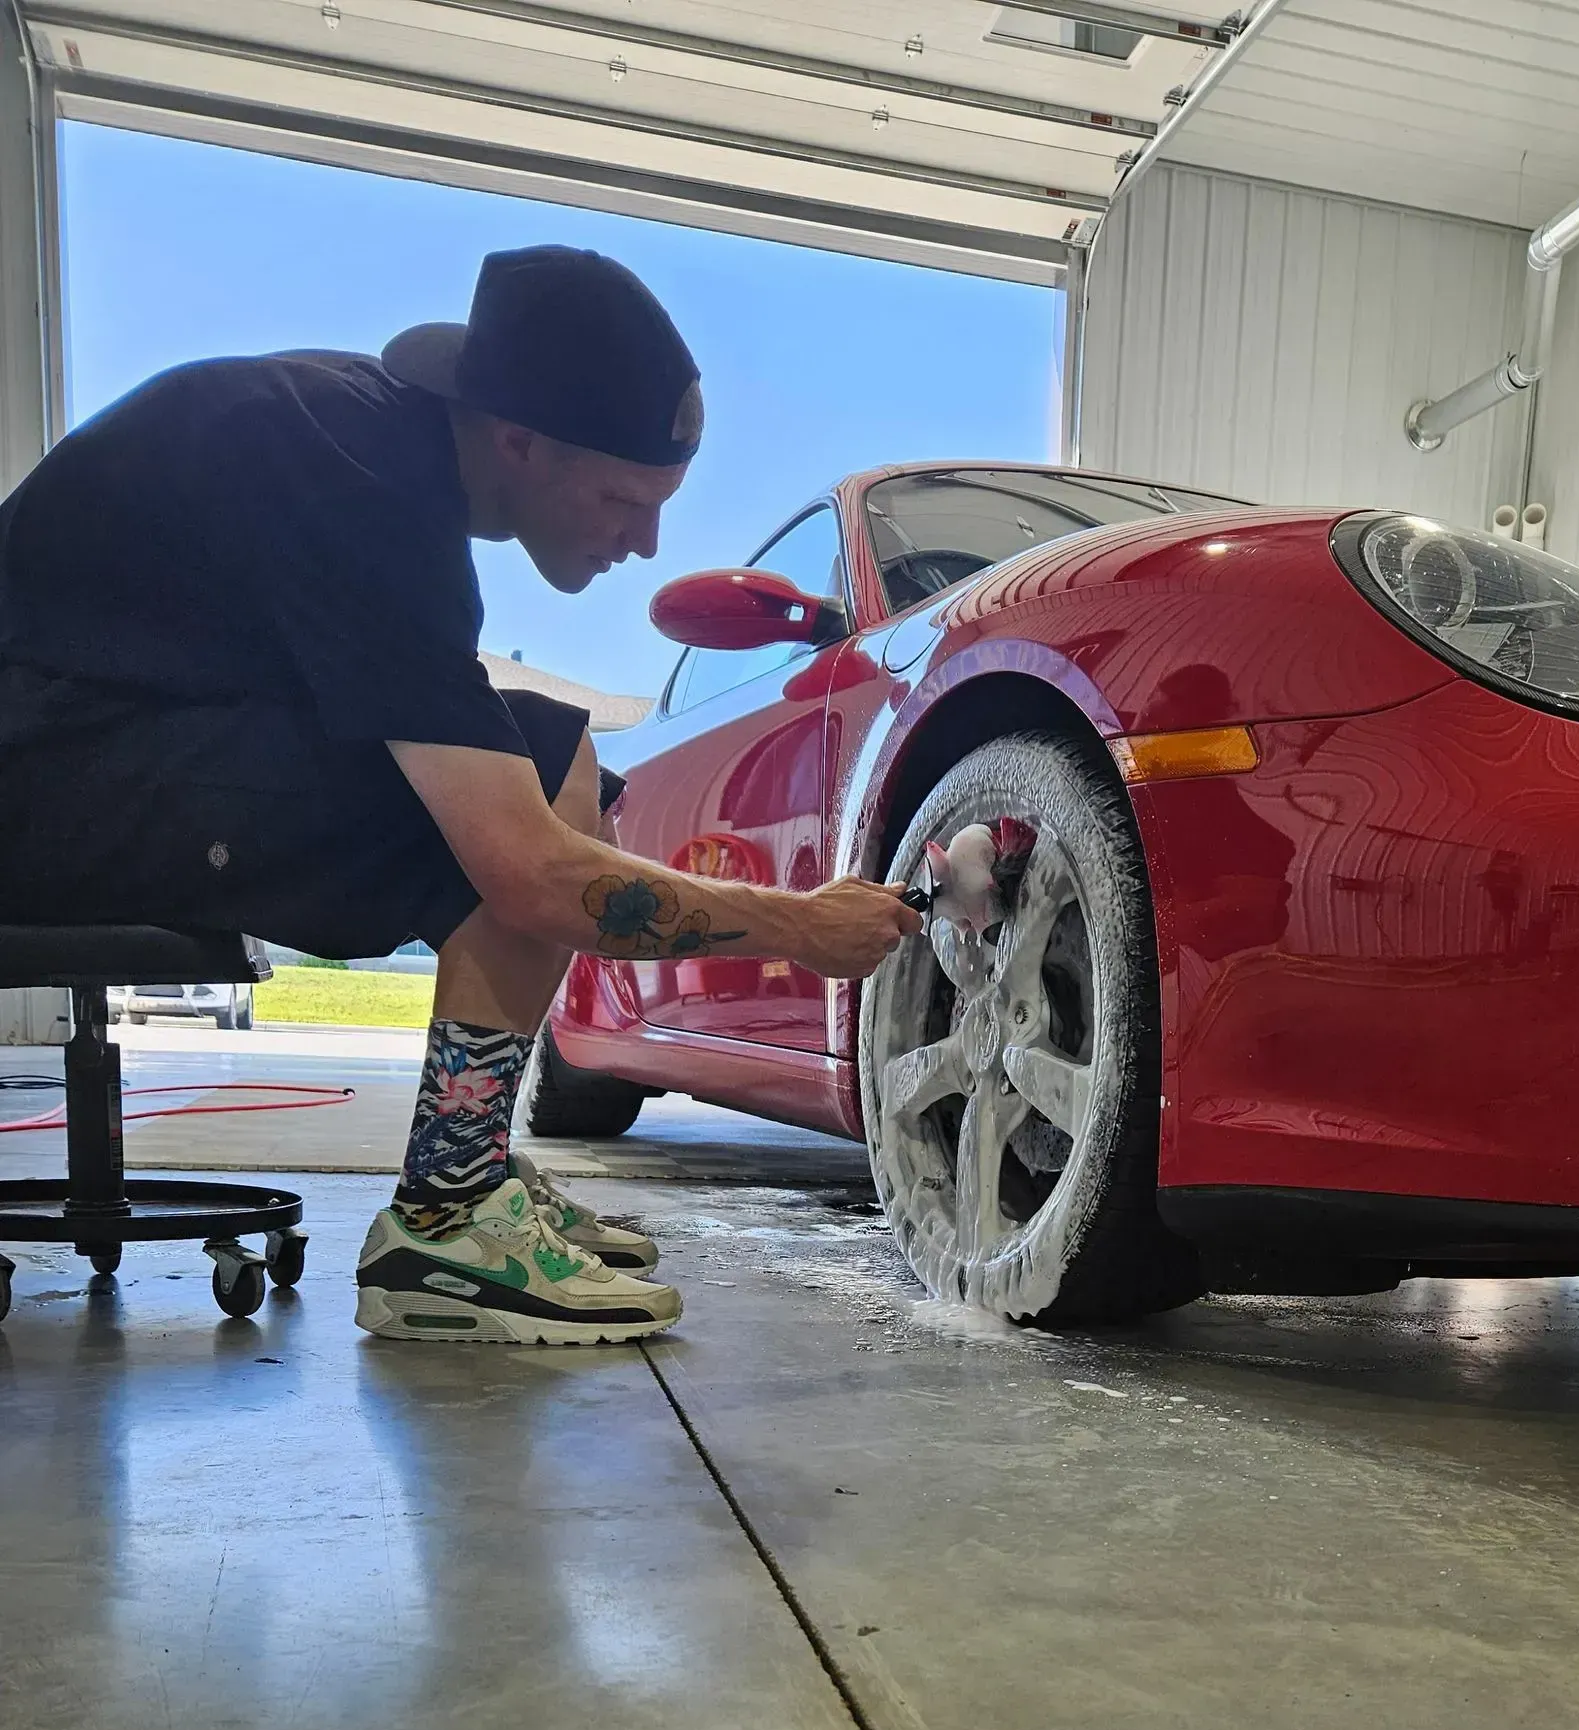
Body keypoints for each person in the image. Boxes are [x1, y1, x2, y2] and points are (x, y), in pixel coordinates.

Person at [0, 244, 919, 1344]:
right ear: (517, 442)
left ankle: (463, 1169)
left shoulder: (381, 462)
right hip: (40, 776)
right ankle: (443, 1226)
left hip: (96, 744)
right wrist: (797, 927)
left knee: (552, 749)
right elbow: (532, 882)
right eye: (625, 496)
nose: (647, 540)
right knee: (517, 818)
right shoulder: (362, 487)